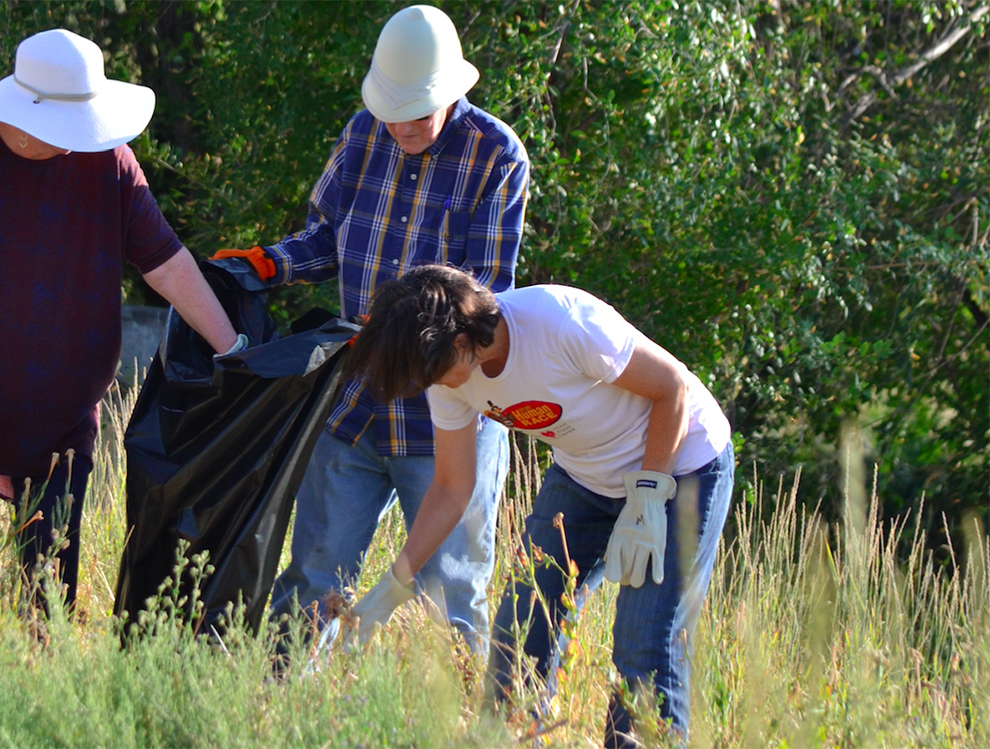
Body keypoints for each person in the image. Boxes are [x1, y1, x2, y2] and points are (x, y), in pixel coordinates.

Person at [0, 28, 244, 615]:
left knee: (44, 604)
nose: (83, 137)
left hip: (59, 428)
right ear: (27, 113)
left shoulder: (111, 164)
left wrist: (234, 350)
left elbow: (168, 265)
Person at [213, 5, 530, 650]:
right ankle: (275, 709)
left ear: (451, 93)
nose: (403, 126)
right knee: (311, 582)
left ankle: (455, 727)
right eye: (394, 110)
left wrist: (402, 345)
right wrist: (269, 263)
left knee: (451, 602)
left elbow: (483, 298)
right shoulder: (363, 134)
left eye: (418, 111)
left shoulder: (496, 154)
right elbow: (326, 238)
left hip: (446, 419)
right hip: (353, 405)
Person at [344, 265, 734, 747]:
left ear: (463, 337)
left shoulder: (560, 321)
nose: (435, 384)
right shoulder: (449, 377)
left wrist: (649, 496)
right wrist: (395, 583)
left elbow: (672, 387)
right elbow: (450, 486)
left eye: (433, 370)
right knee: (519, 630)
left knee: (646, 644)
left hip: (681, 464)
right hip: (585, 478)